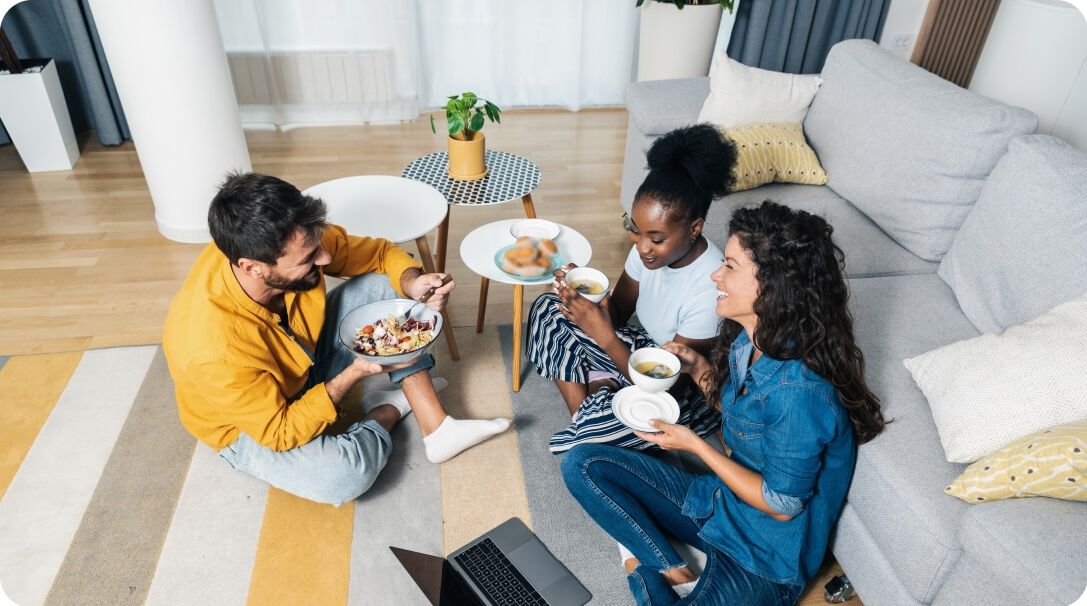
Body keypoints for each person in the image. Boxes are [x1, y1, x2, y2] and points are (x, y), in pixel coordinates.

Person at [560, 201, 887, 604]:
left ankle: (646, 577)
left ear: (771, 285)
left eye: (730, 266)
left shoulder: (800, 393)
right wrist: (697, 366)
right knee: (582, 463)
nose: (716, 273)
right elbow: (740, 412)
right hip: (718, 503)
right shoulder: (748, 339)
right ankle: (670, 568)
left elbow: (782, 505)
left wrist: (695, 445)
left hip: (764, 556)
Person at [163, 172, 510, 506]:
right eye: (309, 258)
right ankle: (388, 408)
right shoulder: (212, 349)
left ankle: (437, 428)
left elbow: (377, 254)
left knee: (388, 291)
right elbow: (280, 431)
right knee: (341, 476)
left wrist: (411, 283)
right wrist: (354, 374)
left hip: (303, 360)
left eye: (317, 246)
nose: (325, 258)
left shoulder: (289, 237)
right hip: (252, 424)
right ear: (253, 267)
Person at [526, 124, 738, 453]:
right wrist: (588, 298)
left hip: (678, 389)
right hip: (637, 349)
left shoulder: (711, 285)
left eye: (656, 238)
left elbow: (667, 387)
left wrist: (605, 336)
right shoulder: (646, 251)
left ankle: (595, 412)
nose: (642, 247)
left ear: (694, 228)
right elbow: (620, 311)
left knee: (597, 438)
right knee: (548, 308)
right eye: (635, 231)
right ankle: (585, 414)